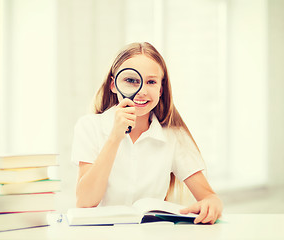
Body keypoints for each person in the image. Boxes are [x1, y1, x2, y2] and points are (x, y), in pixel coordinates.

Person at [71, 42, 223, 224]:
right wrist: (115, 136)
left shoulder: (174, 136)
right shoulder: (89, 127)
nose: (141, 91)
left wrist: (212, 205)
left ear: (160, 89)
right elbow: (85, 202)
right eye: (131, 80)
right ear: (113, 85)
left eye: (151, 82)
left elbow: (210, 197)